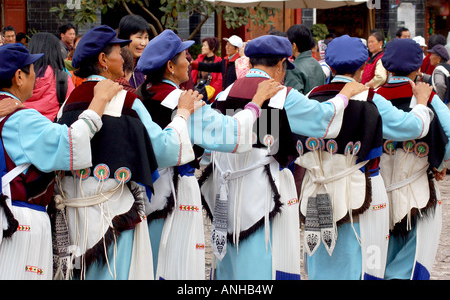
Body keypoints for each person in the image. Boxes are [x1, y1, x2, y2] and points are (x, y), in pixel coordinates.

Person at [199, 34, 371, 280]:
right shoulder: (280, 94)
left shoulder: (225, 93)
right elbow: (323, 119)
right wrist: (344, 95)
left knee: (230, 259)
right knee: (263, 257)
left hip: (227, 187)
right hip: (264, 187)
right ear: (280, 65)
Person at [52, 25, 203, 280]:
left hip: (74, 214)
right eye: (117, 52)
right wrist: (183, 113)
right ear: (103, 61)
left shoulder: (67, 103)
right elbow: (165, 150)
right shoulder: (127, 101)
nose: (124, 57)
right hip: (115, 215)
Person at [135, 29, 283, 280]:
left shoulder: (140, 95)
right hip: (176, 192)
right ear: (171, 66)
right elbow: (232, 134)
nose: (190, 61)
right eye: (185, 56)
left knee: (149, 261)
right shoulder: (183, 102)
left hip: (144, 194)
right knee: (178, 263)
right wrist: (256, 102)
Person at [296, 35, 435, 280]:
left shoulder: (310, 97)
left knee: (320, 254)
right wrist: (422, 103)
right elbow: (412, 127)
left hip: (316, 189)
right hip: (359, 190)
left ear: (330, 64)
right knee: (360, 255)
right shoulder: (370, 99)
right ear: (362, 68)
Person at [0, 43, 123, 280]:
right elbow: (71, 141)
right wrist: (99, 101)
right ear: (18, 77)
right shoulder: (20, 119)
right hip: (21, 221)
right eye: (32, 69)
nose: (36, 75)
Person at [376, 38, 450, 280]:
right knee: (412, 257)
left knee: (378, 253)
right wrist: (440, 164)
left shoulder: (373, 98)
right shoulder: (426, 99)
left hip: (374, 191)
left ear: (386, 67)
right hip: (419, 192)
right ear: (419, 68)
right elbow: (448, 136)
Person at [23, 32, 75, 121]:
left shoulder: (19, 77)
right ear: (56, 51)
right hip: (52, 130)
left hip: (22, 130)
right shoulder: (62, 77)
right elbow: (73, 107)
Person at [284, 24, 325, 95]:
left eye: (287, 42)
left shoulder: (294, 68)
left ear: (294, 46)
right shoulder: (317, 64)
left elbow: (293, 100)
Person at [117, 14, 151, 90]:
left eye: (146, 37)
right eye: (139, 37)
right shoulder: (117, 65)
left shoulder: (146, 66)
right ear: (125, 37)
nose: (143, 43)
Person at [191, 37, 223, 102]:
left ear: (212, 48)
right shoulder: (198, 60)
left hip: (209, 96)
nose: (202, 48)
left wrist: (208, 93)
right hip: (196, 92)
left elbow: (219, 81)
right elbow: (192, 76)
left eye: (205, 45)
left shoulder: (218, 62)